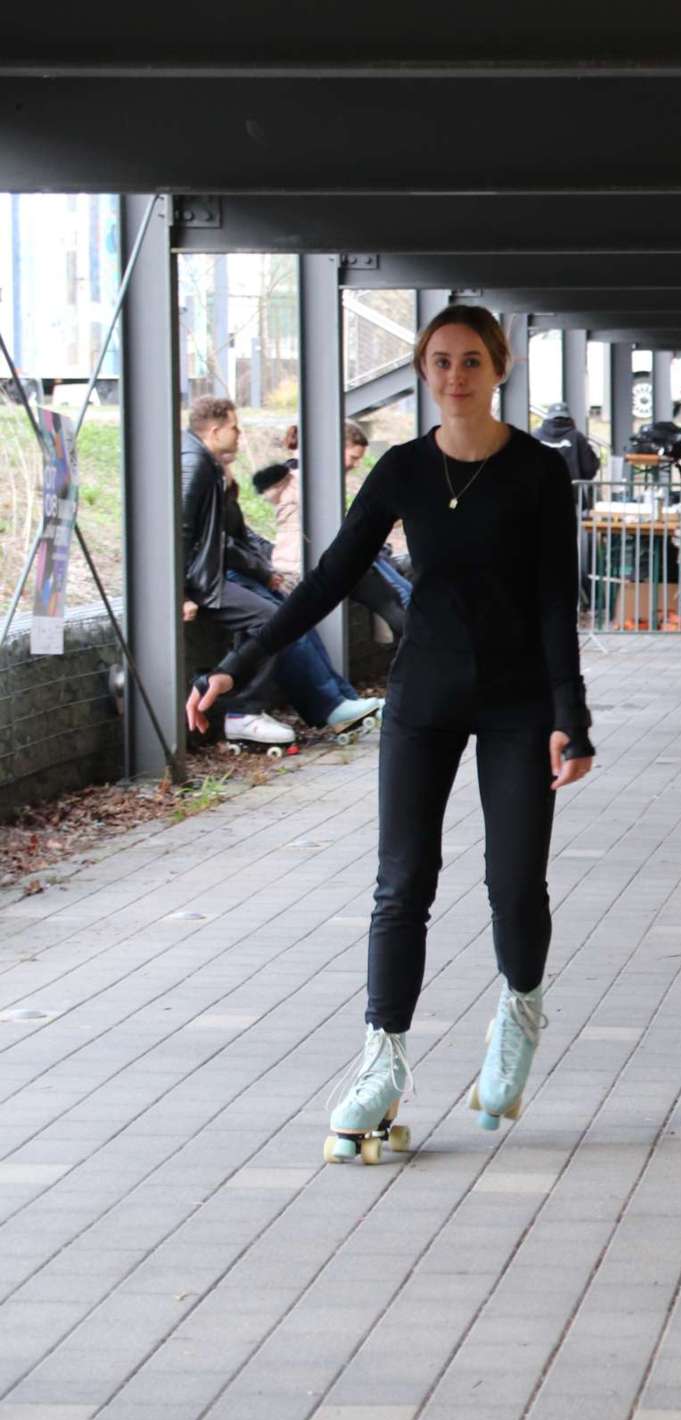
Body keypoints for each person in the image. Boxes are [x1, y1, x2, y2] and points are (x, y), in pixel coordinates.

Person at [188, 304, 596, 1162]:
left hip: (519, 701)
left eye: (472, 361)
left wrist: (573, 718)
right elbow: (329, 578)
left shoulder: (537, 471)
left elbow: (557, 598)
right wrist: (238, 664)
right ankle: (382, 1060)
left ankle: (520, 1011)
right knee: (401, 883)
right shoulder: (404, 469)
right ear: (423, 371)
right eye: (441, 361)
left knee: (514, 882)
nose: (456, 376)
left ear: (500, 368)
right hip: (424, 697)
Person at [179, 397, 382, 747]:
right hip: (206, 579)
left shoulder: (208, 464)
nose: (239, 434)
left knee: (290, 609)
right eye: (234, 427)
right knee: (272, 618)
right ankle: (245, 712)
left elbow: (233, 535)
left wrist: (264, 565)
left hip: (215, 572)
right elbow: (184, 532)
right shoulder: (196, 463)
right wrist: (179, 593)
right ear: (214, 431)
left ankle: (338, 702)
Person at [252, 425, 411, 638]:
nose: (356, 465)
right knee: (395, 598)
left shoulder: (317, 479)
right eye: (353, 457)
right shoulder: (301, 479)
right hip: (309, 567)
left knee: (396, 596)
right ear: (335, 449)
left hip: (320, 563)